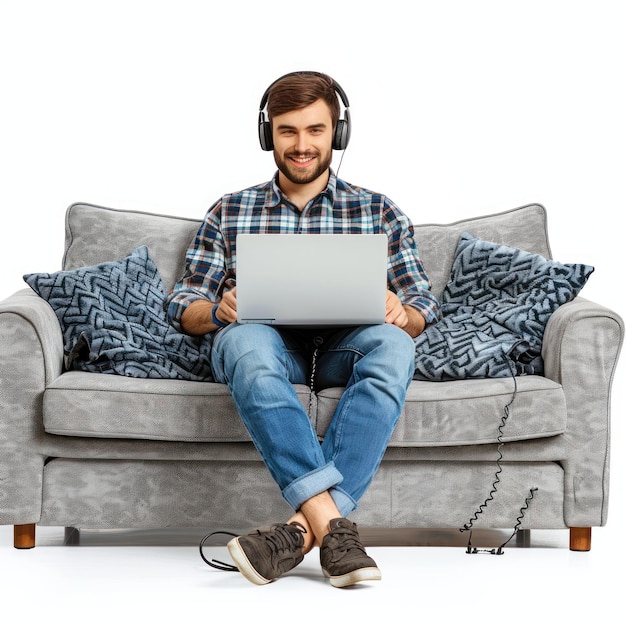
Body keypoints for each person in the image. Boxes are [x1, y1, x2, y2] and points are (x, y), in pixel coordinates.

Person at [166, 71, 440, 588]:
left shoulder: (378, 210)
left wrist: (404, 312)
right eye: (288, 131)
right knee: (244, 342)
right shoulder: (229, 210)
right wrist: (218, 310)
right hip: (267, 345)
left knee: (394, 345)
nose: (301, 145)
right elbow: (185, 302)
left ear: (338, 133)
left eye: (316, 130)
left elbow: (422, 300)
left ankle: (297, 531)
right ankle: (333, 529)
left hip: (346, 346)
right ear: (268, 134)